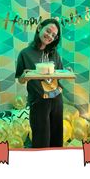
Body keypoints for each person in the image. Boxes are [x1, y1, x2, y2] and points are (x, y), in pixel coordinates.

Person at [15, 18, 63, 148]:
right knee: (41, 140)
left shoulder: (54, 53)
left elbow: (59, 74)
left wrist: (66, 72)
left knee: (57, 138)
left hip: (57, 99)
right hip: (38, 101)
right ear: (39, 27)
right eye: (48, 31)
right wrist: (24, 77)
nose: (50, 36)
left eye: (54, 35)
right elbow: (20, 79)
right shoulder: (25, 54)